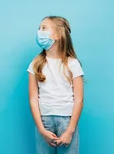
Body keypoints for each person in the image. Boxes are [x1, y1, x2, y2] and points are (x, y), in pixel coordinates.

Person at [29, 16, 84, 153]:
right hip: (44, 121)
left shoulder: (73, 64)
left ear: (58, 35)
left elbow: (79, 100)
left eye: (44, 28)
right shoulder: (36, 64)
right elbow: (33, 99)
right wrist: (41, 130)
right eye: (39, 28)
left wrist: (70, 131)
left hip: (67, 122)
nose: (39, 32)